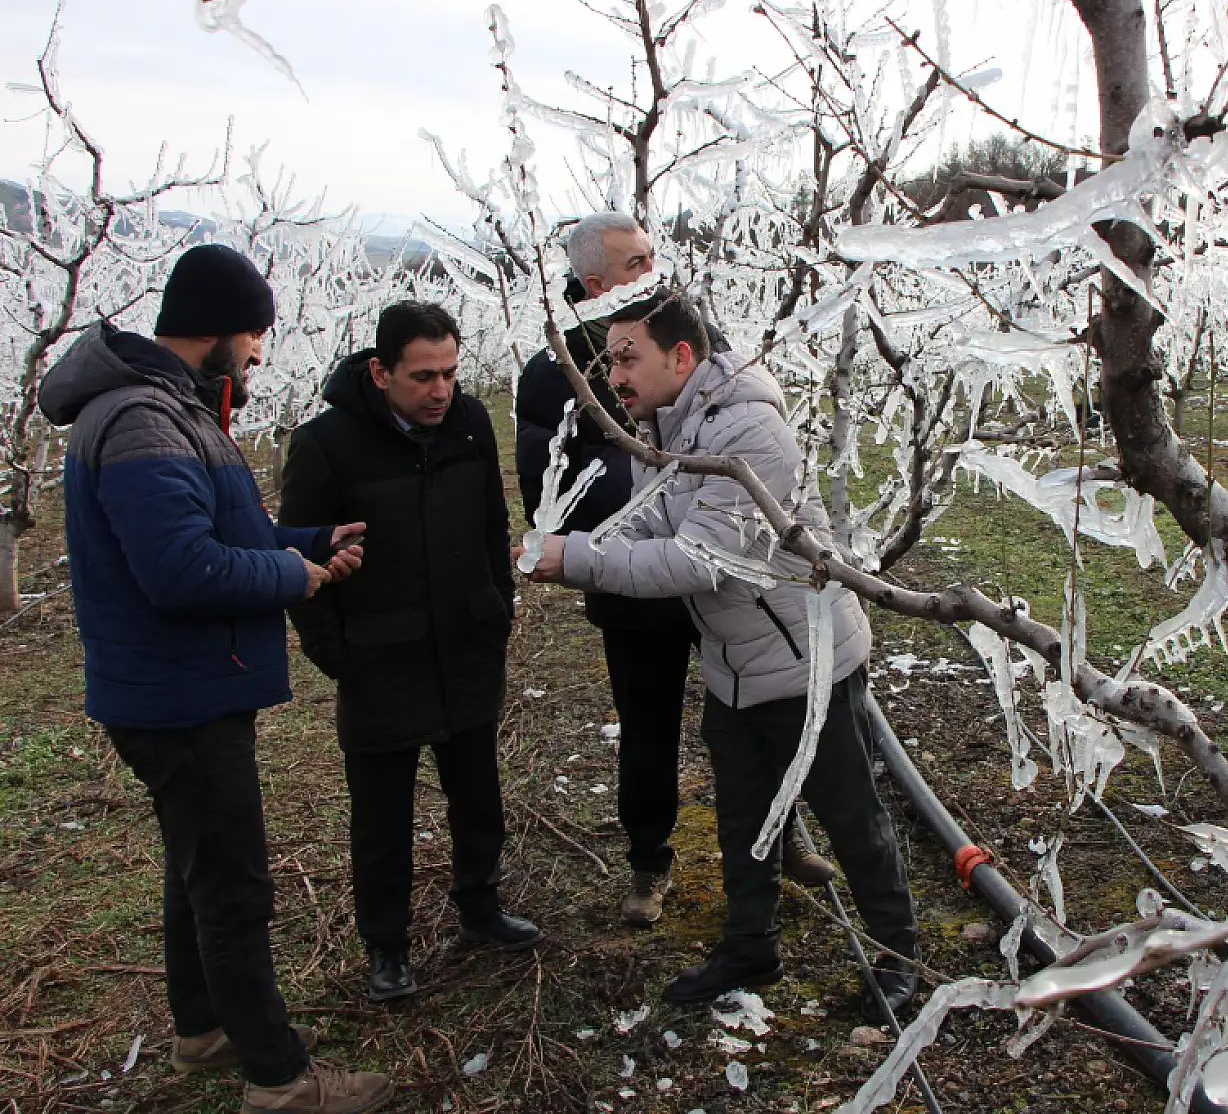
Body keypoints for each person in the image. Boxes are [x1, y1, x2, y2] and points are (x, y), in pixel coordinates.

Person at [38, 244, 392, 1113]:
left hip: (183, 686)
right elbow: (182, 569)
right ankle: (278, 1078)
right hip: (179, 695)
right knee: (233, 884)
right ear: (221, 329)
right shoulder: (143, 419)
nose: (262, 352)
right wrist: (293, 576)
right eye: (256, 333)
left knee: (197, 865)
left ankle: (202, 1025)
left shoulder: (172, 408)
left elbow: (219, 530)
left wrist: (306, 542)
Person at [521, 288, 920, 1018]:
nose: (614, 377)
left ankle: (899, 956)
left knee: (849, 815)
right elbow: (648, 529)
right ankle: (750, 946)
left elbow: (699, 560)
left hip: (805, 660)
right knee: (742, 817)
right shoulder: (663, 428)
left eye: (627, 359)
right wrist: (576, 545)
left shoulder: (746, 432)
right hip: (735, 662)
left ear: (681, 356)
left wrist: (574, 556)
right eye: (609, 362)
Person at [514, 211, 834, 927]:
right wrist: (644, 503)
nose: (651, 271)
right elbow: (551, 490)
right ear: (593, 282)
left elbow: (732, 434)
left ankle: (782, 834)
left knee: (753, 711)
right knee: (646, 725)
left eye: (651, 257)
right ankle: (648, 860)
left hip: (719, 579)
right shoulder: (553, 372)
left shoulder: (686, 332)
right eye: (635, 263)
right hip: (630, 578)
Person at [280, 301, 540, 1004]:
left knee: (478, 795)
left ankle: (481, 908)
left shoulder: (470, 423)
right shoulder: (326, 445)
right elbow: (300, 562)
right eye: (423, 376)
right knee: (382, 817)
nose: (440, 390)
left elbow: (491, 527)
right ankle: (386, 947)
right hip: (378, 659)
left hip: (466, 646)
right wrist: (338, 656)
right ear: (380, 371)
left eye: (450, 373)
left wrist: (496, 610)